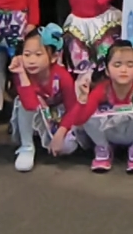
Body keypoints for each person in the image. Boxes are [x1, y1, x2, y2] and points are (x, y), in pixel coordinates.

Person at [69, 39, 133, 174]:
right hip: (110, 134)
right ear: (107, 70)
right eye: (117, 64)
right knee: (90, 115)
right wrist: (82, 99)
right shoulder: (102, 90)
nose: (123, 70)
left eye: (130, 65)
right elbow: (79, 121)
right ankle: (103, 149)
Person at [11, 26, 84, 171]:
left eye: (38, 54)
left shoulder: (62, 76)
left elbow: (72, 108)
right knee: (22, 102)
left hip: (57, 116)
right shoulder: (21, 73)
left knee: (68, 147)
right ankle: (27, 146)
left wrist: (61, 133)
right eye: (27, 55)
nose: (32, 60)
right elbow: (29, 104)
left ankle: (46, 137)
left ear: (53, 57)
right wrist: (22, 74)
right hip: (33, 112)